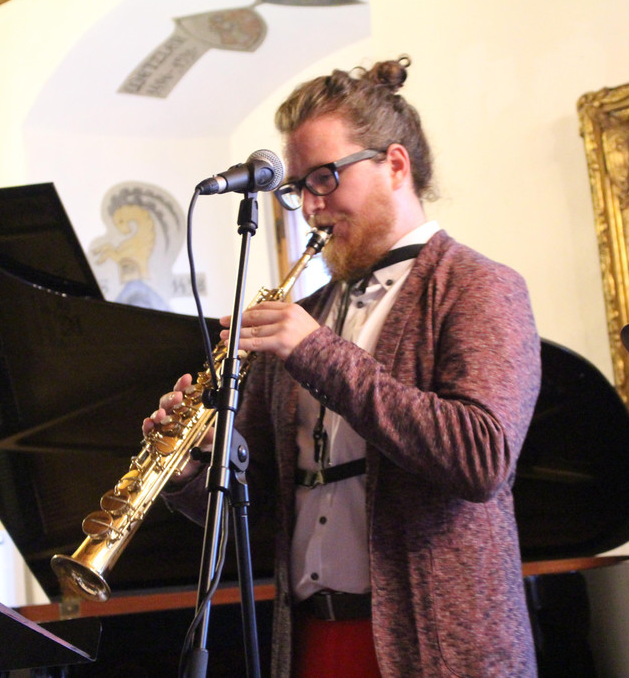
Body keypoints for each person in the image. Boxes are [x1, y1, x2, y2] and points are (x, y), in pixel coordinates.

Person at [144, 56, 541, 677]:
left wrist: (317, 352)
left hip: (437, 649)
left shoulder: (480, 286)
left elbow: (481, 458)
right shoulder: (303, 316)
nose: (309, 207)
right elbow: (260, 501)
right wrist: (194, 465)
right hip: (312, 639)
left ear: (395, 165)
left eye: (325, 178)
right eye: (297, 188)